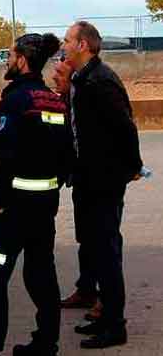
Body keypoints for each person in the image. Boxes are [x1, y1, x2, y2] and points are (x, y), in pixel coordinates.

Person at [0, 33, 71, 356]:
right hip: (44, 206)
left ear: (22, 60)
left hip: (11, 209)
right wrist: (51, 185)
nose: (7, 61)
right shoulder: (53, 98)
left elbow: (6, 155)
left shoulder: (14, 100)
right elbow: (68, 153)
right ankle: (46, 343)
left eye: (10, 55)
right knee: (41, 273)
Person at [62, 21, 143, 349]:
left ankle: (115, 324)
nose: (64, 45)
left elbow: (125, 128)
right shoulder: (82, 79)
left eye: (68, 40)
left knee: (107, 251)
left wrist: (132, 166)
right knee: (96, 249)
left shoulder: (100, 80)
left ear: (83, 45)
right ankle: (103, 314)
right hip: (87, 178)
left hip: (104, 181)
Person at [54, 58, 104, 321]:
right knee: (86, 238)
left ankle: (106, 302)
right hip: (80, 180)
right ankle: (86, 290)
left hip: (99, 181)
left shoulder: (89, 95)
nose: (54, 78)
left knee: (103, 242)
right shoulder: (62, 101)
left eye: (60, 74)